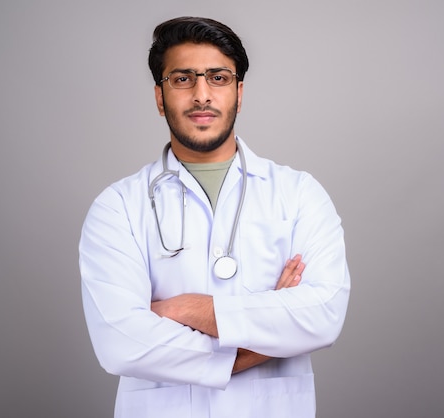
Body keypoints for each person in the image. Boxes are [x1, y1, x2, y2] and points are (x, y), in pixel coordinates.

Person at [79, 16, 350, 418]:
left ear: (239, 93)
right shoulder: (117, 205)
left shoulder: (298, 194)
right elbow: (120, 342)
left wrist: (184, 309)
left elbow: (322, 315)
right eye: (183, 79)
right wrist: (265, 332)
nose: (201, 94)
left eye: (218, 78)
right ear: (159, 96)